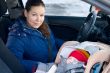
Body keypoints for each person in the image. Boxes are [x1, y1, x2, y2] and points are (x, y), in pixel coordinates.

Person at [6, 0, 64, 73]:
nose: (38, 19)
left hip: (59, 62)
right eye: (34, 15)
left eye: (41, 15)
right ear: (26, 13)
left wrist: (66, 46)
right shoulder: (17, 35)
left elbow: (52, 41)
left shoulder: (43, 25)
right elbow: (13, 62)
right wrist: (40, 67)